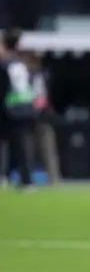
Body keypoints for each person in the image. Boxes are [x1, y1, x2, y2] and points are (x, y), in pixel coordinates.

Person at [0, 29, 37, 189]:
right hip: (25, 107)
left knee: (10, 146)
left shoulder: (5, 65)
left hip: (10, 109)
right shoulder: (22, 64)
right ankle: (26, 179)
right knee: (22, 147)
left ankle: (7, 176)